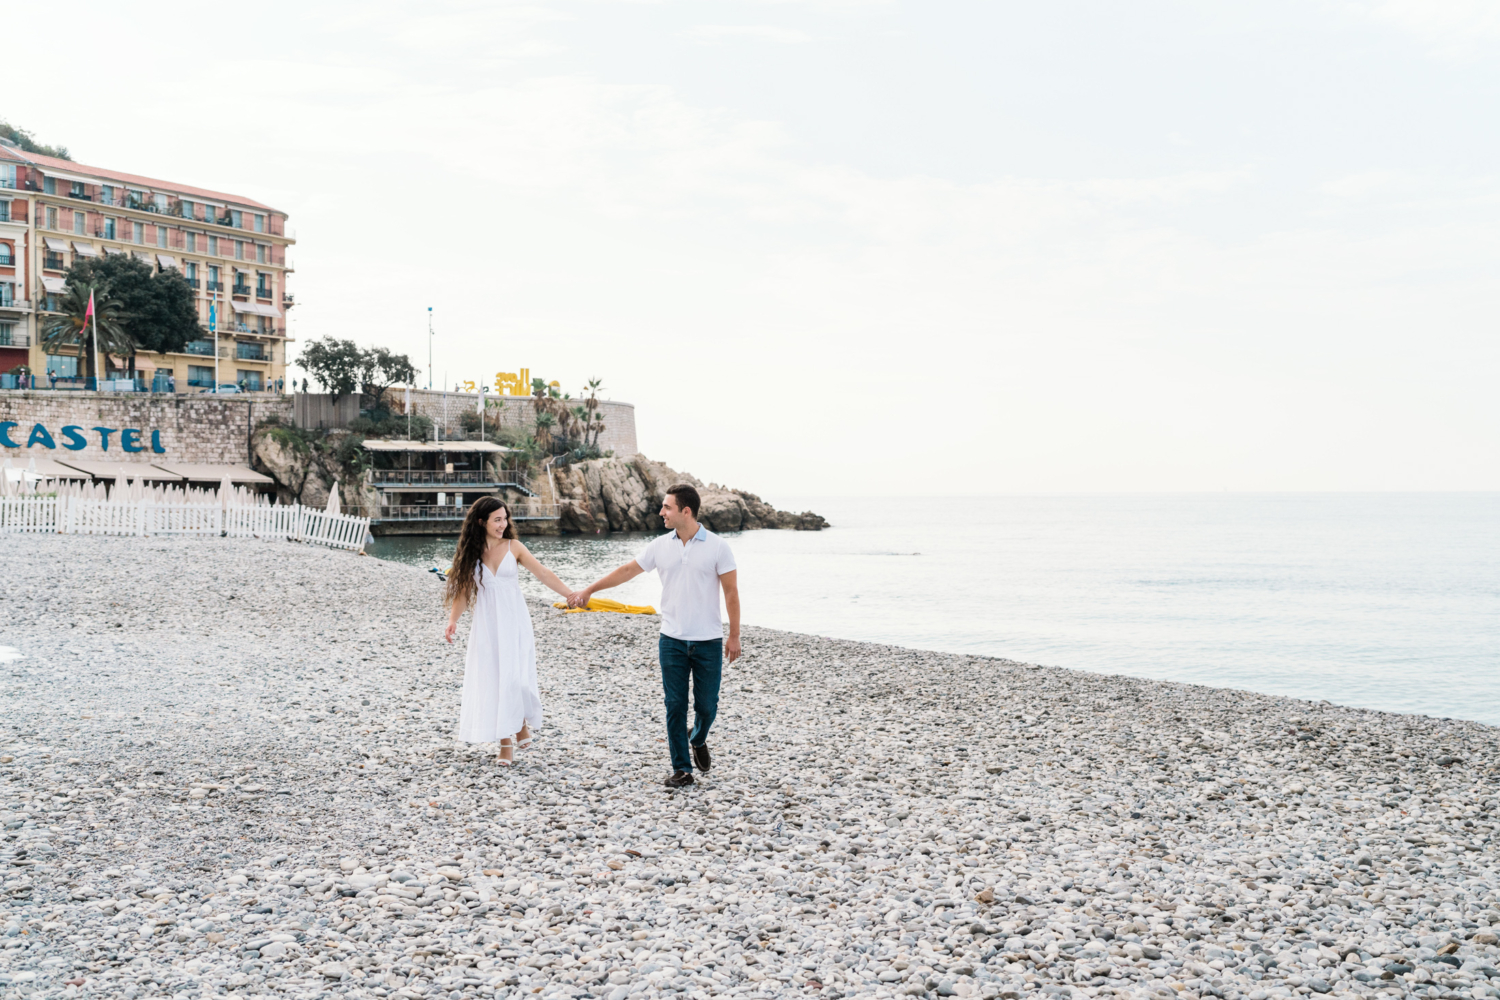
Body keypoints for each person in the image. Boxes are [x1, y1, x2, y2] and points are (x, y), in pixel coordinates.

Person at [569, 484, 740, 787]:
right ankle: (682, 769)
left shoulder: (718, 547)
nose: (661, 512)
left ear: (685, 511)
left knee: (707, 706)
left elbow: (731, 593)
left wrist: (734, 635)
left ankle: (698, 737)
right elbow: (626, 571)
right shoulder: (660, 545)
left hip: (708, 641)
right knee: (675, 704)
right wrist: (589, 590)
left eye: (667, 507)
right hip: (671, 639)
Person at [444, 496, 580, 765]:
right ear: (482, 522)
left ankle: (519, 722)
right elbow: (462, 592)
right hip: (487, 626)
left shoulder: (513, 546)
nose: (503, 524)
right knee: (495, 679)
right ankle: (506, 743)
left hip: (514, 622)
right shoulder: (471, 553)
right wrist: (453, 620)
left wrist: (570, 594)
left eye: (505, 519)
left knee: (516, 677)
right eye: (497, 520)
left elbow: (542, 572)